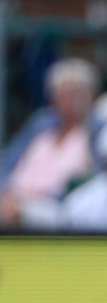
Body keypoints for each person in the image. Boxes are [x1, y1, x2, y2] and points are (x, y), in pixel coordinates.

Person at [0, 57, 101, 228]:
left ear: (91, 96)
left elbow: (97, 180)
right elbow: (8, 160)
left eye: (77, 93)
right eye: (65, 93)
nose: (72, 100)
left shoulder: (96, 129)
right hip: (13, 197)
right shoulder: (41, 122)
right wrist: (6, 192)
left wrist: (27, 205)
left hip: (59, 207)